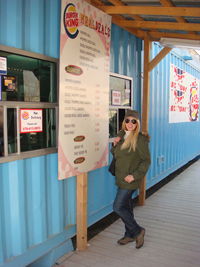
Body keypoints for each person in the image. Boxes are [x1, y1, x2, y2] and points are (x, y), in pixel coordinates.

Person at [110, 109, 151, 249]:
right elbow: (116, 154)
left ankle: (138, 231)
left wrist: (134, 175)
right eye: (127, 120)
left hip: (131, 180)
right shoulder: (121, 135)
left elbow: (146, 161)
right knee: (127, 207)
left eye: (133, 121)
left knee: (117, 207)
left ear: (137, 123)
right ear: (124, 122)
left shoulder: (140, 139)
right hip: (121, 178)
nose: (130, 123)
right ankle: (129, 234)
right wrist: (114, 144)